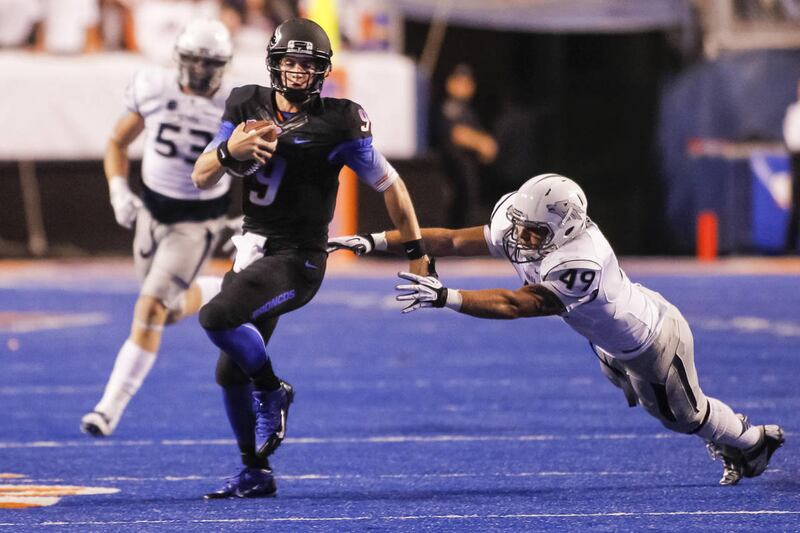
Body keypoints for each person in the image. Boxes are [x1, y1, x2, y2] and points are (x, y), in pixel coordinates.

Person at [328, 173, 785, 486]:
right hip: (610, 336)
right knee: (620, 373)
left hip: (651, 343)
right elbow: (449, 239)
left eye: (533, 234)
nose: (520, 239)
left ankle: (753, 442)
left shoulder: (579, 262)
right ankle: (733, 438)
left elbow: (516, 304)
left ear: (564, 229)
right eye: (522, 228)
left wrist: (446, 296)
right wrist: (376, 239)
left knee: (683, 417)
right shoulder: (525, 220)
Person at [191, 17, 431, 499]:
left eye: (308, 64)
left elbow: (391, 185)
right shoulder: (244, 103)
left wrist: (417, 252)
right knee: (226, 371)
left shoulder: (339, 120)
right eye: (291, 62)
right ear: (275, 64)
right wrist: (227, 151)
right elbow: (200, 176)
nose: (298, 72)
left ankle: (272, 389)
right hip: (254, 247)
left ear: (322, 71)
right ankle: (255, 471)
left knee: (216, 316)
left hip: (298, 258)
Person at [81, 20, 237, 437]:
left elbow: (262, 161)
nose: (201, 70)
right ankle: (213, 288)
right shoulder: (152, 86)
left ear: (224, 65)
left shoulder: (236, 103)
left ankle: (108, 408)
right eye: (194, 60)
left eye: (210, 62)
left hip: (197, 219)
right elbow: (117, 141)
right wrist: (117, 187)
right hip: (151, 212)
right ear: (178, 60)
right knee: (163, 312)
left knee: (148, 307)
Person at [437, 63, 498, 228]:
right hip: (451, 172)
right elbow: (457, 134)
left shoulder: (468, 110)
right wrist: (481, 142)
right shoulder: (449, 107)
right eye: (459, 81)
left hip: (467, 171)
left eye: (468, 82)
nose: (464, 87)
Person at [782, 81, 800, 254]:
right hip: (797, 158)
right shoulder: (793, 112)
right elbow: (791, 139)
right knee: (796, 203)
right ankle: (789, 247)